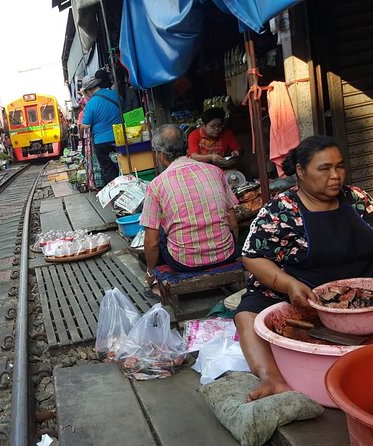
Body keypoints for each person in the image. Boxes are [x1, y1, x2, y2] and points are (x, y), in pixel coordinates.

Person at [235, 135, 373, 401]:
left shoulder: (357, 199)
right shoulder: (281, 210)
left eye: (340, 166)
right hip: (301, 294)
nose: (335, 176)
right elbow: (252, 256)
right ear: (300, 171)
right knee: (247, 316)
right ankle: (272, 378)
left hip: (359, 291)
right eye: (325, 168)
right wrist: (288, 284)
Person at [140, 124, 239, 286]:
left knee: (159, 233)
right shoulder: (215, 171)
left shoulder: (156, 185)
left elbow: (151, 242)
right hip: (226, 254)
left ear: (162, 155)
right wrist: (230, 249)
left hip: (185, 263)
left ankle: (157, 283)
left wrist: (151, 272)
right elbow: (233, 223)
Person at [80, 71, 123, 185]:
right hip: (120, 137)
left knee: (108, 168)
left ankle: (115, 192)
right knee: (124, 164)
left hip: (102, 142)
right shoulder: (116, 95)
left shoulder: (91, 103)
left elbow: (86, 125)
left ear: (89, 90)